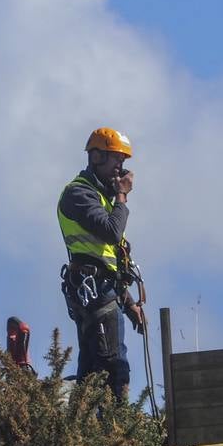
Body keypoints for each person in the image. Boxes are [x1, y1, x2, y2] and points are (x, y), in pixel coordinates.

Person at [58, 127, 145, 399]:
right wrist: (121, 197)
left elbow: (108, 260)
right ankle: (115, 434)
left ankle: (87, 433)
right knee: (112, 368)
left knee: (93, 370)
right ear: (96, 156)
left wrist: (129, 302)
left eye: (123, 161)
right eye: (115, 159)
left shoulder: (99, 197)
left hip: (104, 289)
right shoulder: (78, 194)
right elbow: (111, 232)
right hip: (93, 291)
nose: (120, 168)